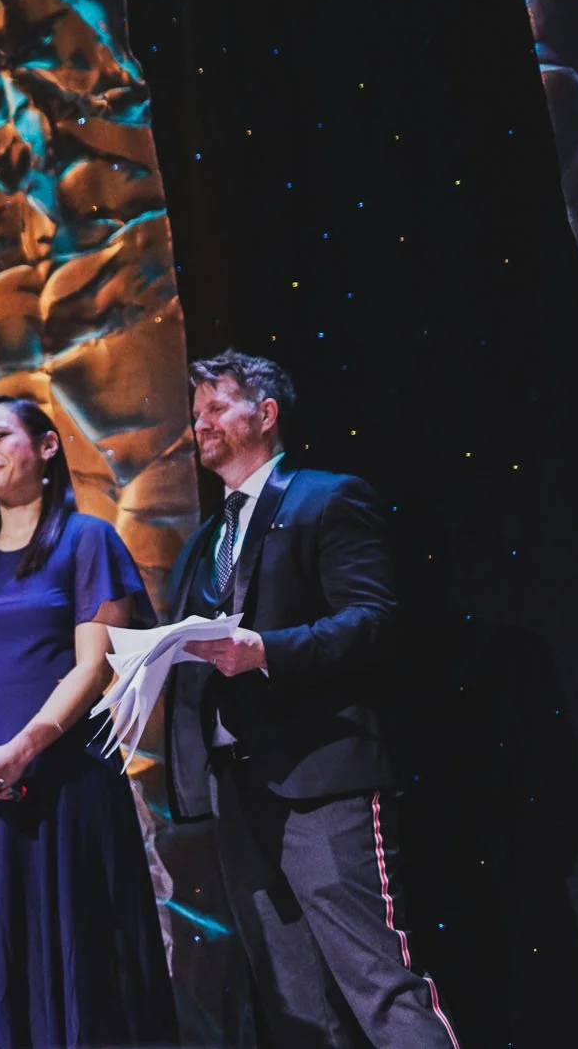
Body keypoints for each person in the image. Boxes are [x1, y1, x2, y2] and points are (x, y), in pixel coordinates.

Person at [166, 352, 460, 1047]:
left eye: (217, 407)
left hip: (322, 777)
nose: (200, 422)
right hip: (240, 790)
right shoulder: (204, 542)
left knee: (378, 982)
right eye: (197, 410)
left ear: (264, 415)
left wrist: (268, 651)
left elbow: (372, 620)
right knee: (293, 1002)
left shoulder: (326, 497)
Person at [0, 394, 178, 1049]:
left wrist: (25, 748)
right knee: (6, 962)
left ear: (48, 447)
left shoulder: (87, 540)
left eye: (0, 438)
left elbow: (94, 667)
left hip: (68, 779)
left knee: (88, 957)